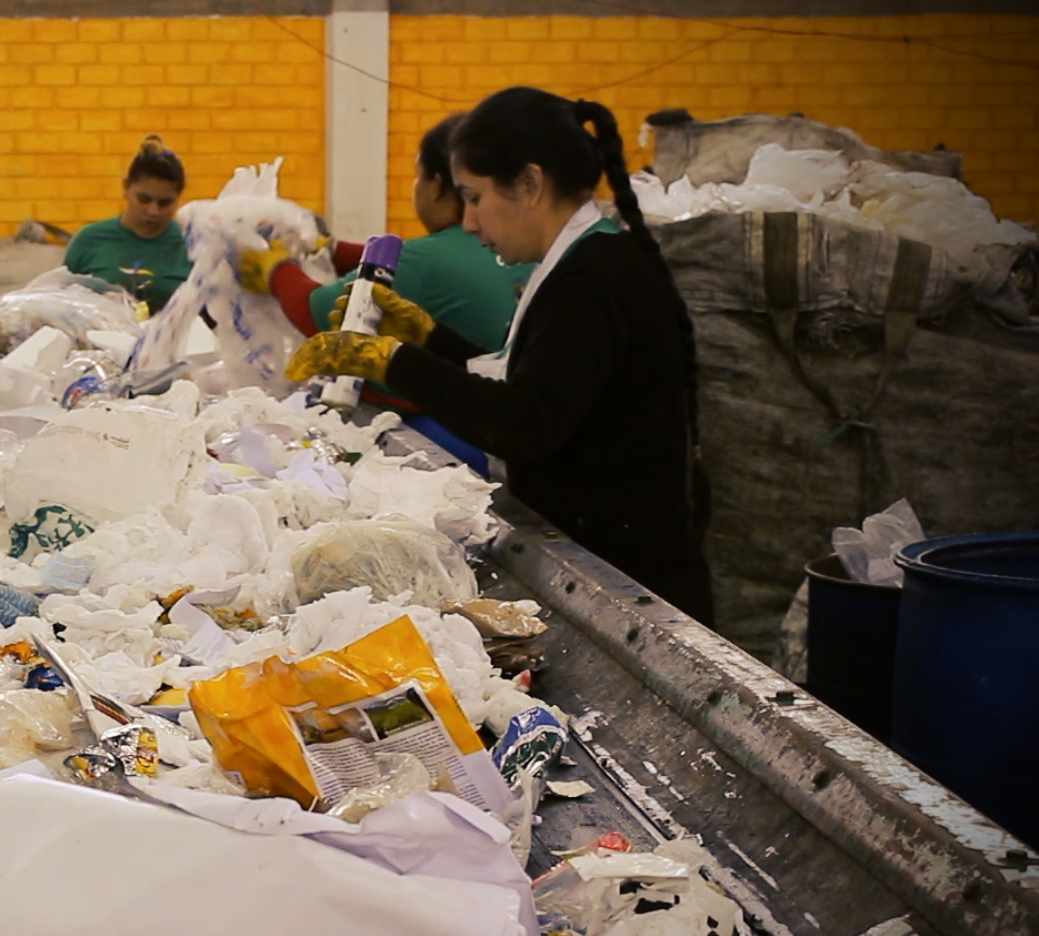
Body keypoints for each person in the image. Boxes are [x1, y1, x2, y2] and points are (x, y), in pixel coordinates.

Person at [287, 87, 713, 623]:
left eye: (474, 197)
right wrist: (428, 337)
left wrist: (393, 361)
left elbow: (525, 423)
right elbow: (541, 384)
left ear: (529, 185)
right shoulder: (583, 262)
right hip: (611, 558)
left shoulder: (590, 280)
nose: (467, 222)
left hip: (633, 587)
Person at [241, 115, 534, 472]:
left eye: (417, 176)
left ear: (439, 183)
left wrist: (275, 269)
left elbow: (313, 314)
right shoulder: (519, 252)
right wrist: (333, 250)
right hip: (492, 422)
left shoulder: (427, 260)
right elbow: (403, 261)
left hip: (464, 440)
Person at [63, 135, 192, 313]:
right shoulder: (89, 241)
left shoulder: (193, 246)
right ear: (126, 187)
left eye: (164, 203)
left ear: (178, 198)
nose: (153, 211)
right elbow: (61, 304)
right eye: (144, 199)